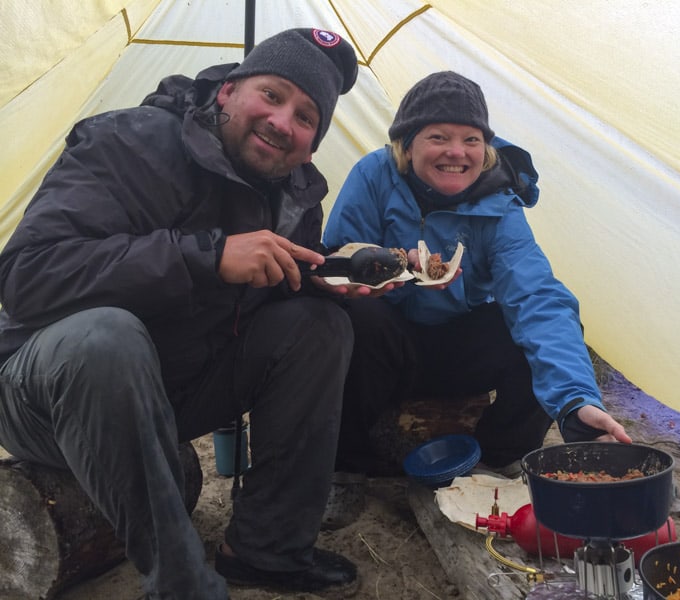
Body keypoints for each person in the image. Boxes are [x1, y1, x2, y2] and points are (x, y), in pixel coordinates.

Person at [0, 28, 361, 599]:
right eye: (272, 95)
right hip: (43, 390)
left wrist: (324, 285)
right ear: (227, 91)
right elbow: (27, 276)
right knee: (107, 338)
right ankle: (182, 585)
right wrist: (208, 257)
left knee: (319, 328)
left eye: (306, 116)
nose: (282, 121)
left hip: (174, 390)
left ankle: (266, 550)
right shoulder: (127, 142)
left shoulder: (293, 193)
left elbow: (271, 297)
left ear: (312, 143)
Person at [323, 71, 632, 476]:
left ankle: (493, 459)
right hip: (388, 344)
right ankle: (347, 467)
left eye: (471, 139)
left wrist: (577, 402)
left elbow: (537, 296)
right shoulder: (374, 176)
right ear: (407, 143)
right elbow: (338, 261)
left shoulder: (499, 205)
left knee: (529, 330)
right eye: (438, 137)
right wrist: (384, 268)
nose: (457, 152)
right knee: (352, 319)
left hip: (458, 348)